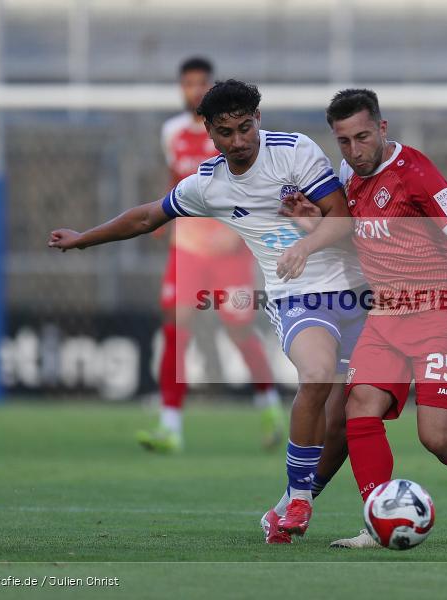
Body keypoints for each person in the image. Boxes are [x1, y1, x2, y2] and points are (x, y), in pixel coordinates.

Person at [49, 80, 365, 544]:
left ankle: (287, 506)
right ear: (209, 132)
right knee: (315, 376)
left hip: (357, 293)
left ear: (258, 119)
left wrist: (305, 241)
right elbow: (146, 217)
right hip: (296, 296)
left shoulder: (294, 151)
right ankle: (301, 500)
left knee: (345, 421)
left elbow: (340, 216)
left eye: (244, 127)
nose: (237, 141)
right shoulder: (208, 185)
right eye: (225, 132)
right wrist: (83, 238)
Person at [282, 89, 447, 548]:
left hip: (437, 315)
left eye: (363, 137)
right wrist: (314, 224)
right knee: (359, 408)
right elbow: (364, 239)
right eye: (344, 141)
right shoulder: (349, 174)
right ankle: (377, 521)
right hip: (386, 316)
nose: (354, 150)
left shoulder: (417, 174)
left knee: (438, 437)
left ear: (383, 128)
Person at [135, 57, 284, 454]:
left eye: (202, 83)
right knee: (176, 330)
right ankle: (170, 426)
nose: (194, 90)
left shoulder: (233, 133)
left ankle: (269, 405)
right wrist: (165, 218)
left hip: (230, 249)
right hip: (188, 250)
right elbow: (175, 179)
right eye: (188, 83)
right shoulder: (172, 133)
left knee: (238, 330)